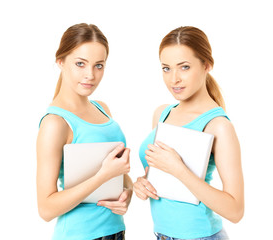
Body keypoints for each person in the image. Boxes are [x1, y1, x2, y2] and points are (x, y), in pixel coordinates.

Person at [133, 26, 244, 240]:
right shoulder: (161, 114)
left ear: (206, 65)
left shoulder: (218, 125)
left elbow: (235, 210)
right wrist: (143, 183)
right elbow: (160, 175)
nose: (173, 79)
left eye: (184, 67)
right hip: (162, 235)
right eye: (166, 68)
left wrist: (180, 170)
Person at [36, 23, 133, 240]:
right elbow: (46, 209)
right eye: (80, 64)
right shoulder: (56, 123)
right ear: (60, 61)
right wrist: (102, 176)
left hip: (116, 232)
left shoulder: (102, 108)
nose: (90, 75)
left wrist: (127, 194)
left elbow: (120, 175)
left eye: (99, 66)